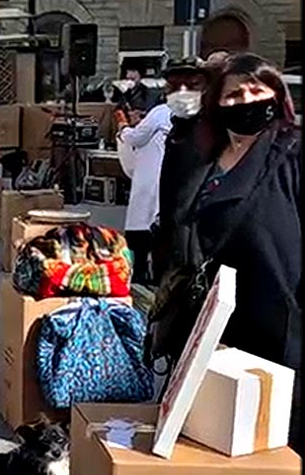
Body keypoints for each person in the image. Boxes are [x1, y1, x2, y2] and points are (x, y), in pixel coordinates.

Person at [158, 53, 300, 451]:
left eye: (258, 90)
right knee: (209, 433)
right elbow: (173, 217)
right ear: (217, 104)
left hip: (276, 320)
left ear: (276, 96)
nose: (246, 100)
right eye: (234, 94)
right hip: (209, 319)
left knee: (269, 437)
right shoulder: (199, 154)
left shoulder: (291, 152)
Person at [151, 57, 212, 282]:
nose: (183, 93)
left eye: (192, 86)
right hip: (172, 239)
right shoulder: (178, 129)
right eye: (175, 87)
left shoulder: (210, 131)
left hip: (196, 246)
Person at [116, 78, 172, 286]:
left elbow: (134, 140)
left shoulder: (159, 114)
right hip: (169, 183)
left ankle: (141, 276)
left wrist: (123, 128)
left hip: (152, 182)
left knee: (144, 227)